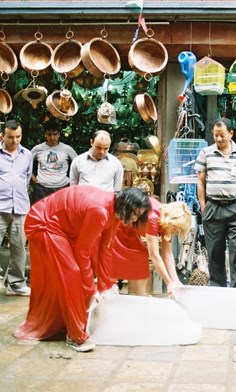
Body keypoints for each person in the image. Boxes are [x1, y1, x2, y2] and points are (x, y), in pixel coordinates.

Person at [13, 186, 151, 352]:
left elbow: (105, 248)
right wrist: (91, 289)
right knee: (71, 273)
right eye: (135, 213)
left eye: (139, 215)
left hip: (63, 226)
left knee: (79, 273)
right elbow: (83, 253)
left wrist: (106, 285)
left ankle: (67, 322)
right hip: (44, 222)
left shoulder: (114, 210)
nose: (135, 219)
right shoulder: (100, 211)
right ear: (126, 205)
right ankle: (75, 335)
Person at [195, 117, 236, 288]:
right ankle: (218, 289)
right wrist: (203, 206)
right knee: (214, 251)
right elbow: (200, 181)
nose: (219, 139)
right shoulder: (205, 153)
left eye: (222, 135)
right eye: (215, 135)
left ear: (231, 133)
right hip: (213, 207)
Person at [112, 198, 192, 296]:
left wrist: (176, 282)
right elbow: (154, 255)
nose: (176, 231)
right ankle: (108, 291)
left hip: (130, 232)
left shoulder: (166, 222)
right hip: (118, 228)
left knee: (141, 258)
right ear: (171, 219)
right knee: (119, 262)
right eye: (176, 227)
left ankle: (140, 298)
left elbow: (167, 254)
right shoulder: (153, 217)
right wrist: (169, 283)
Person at [0, 120, 33, 296]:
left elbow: (26, 179)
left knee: (19, 247)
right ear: (2, 136)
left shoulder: (27, 155)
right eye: (11, 137)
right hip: (0, 206)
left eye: (18, 136)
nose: (15, 140)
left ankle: (16, 284)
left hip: (19, 206)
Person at [30, 119, 78, 204]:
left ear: (59, 134)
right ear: (45, 134)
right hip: (41, 189)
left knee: (61, 215)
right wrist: (32, 177)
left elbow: (79, 165)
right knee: (39, 215)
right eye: (49, 134)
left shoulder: (67, 149)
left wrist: (73, 181)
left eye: (55, 134)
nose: (52, 137)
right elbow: (25, 163)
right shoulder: (37, 149)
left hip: (62, 188)